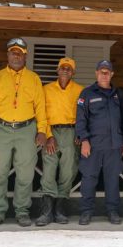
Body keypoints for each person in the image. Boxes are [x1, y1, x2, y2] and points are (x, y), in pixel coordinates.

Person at [0, 38, 47, 228]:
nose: (16, 55)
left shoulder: (33, 78)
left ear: (25, 56)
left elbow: (40, 107)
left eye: (20, 52)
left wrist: (42, 130)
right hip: (1, 129)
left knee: (25, 173)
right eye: (13, 52)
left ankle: (22, 211)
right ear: (7, 55)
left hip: (27, 129)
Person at [76, 59, 123, 225]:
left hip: (114, 146)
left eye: (107, 71)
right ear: (96, 73)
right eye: (101, 71)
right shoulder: (87, 93)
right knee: (89, 178)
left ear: (112, 74)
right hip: (93, 145)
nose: (104, 74)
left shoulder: (118, 94)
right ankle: (86, 211)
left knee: (112, 179)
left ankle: (112, 211)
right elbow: (80, 119)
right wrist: (84, 140)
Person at [36, 57, 83, 226]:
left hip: (71, 132)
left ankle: (60, 209)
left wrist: (80, 134)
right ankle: (46, 211)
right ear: (57, 70)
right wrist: (47, 135)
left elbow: (83, 115)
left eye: (69, 68)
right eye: (62, 67)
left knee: (68, 169)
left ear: (73, 72)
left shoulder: (79, 90)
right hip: (52, 132)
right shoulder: (46, 89)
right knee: (49, 169)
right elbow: (41, 113)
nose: (65, 70)